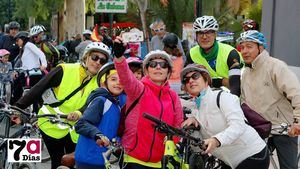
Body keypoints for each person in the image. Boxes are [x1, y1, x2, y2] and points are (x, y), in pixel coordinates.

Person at [14, 42, 111, 169]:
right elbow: (39, 88)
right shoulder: (65, 69)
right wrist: (17, 108)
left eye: (102, 60)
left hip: (74, 129)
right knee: (57, 162)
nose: (98, 62)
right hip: (50, 123)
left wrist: (79, 113)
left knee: (71, 164)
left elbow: (93, 102)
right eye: (94, 57)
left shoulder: (100, 81)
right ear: (86, 57)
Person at [181, 64, 269, 169]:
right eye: (186, 80)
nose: (190, 81)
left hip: (253, 155)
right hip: (229, 162)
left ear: (206, 79)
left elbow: (238, 125)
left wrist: (216, 140)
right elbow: (200, 148)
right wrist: (193, 129)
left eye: (195, 76)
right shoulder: (196, 111)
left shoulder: (222, 97)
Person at [113, 37, 184, 169]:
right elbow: (126, 77)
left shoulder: (173, 96)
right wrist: (119, 57)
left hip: (160, 161)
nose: (158, 67)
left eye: (163, 65)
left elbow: (177, 125)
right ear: (146, 70)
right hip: (133, 158)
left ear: (168, 71)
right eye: (153, 64)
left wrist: (172, 142)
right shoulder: (139, 88)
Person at [237, 30, 300, 169]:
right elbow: (245, 101)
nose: (244, 51)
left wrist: (298, 121)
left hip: (284, 129)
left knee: (289, 167)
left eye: (249, 46)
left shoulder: (276, 66)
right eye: (242, 47)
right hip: (260, 129)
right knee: (252, 165)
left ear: (260, 48)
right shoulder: (246, 72)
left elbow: (296, 93)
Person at [75, 62, 126, 169]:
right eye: (113, 79)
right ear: (103, 83)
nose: (118, 83)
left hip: (101, 159)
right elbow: (81, 124)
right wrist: (98, 135)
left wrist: (117, 139)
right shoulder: (101, 101)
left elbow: (108, 127)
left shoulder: (116, 104)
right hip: (88, 158)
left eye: (121, 80)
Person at [186, 15, 243, 96]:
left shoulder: (230, 53)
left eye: (208, 32)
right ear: (196, 35)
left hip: (235, 97)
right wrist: (222, 81)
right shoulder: (191, 54)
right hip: (208, 98)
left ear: (215, 34)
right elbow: (188, 83)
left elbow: (236, 87)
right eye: (200, 33)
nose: (204, 37)